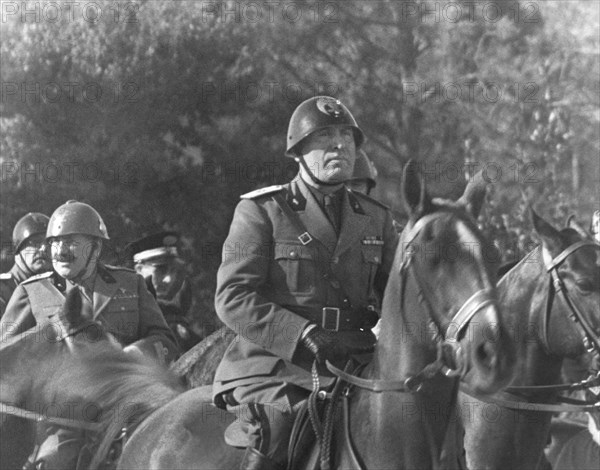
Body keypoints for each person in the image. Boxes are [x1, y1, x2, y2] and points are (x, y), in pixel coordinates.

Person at [212, 96, 399, 470]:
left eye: (347, 136)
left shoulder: (375, 218)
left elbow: (399, 293)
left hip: (356, 361)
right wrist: (300, 333)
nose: (340, 145)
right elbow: (232, 297)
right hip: (278, 366)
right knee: (280, 429)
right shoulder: (262, 211)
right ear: (297, 152)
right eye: (325, 136)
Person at [0, 200, 179, 470]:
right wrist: (53, 337)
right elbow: (8, 356)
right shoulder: (31, 291)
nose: (60, 251)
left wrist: (131, 355)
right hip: (65, 421)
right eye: (54, 243)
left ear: (95, 247)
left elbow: (165, 341)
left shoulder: (131, 284)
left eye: (71, 242)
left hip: (131, 410)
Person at [126, 231, 200, 352]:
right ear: (139, 270)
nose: (169, 279)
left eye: (173, 270)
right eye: (160, 270)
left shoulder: (175, 319)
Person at [0, 212, 52, 318]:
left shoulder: (54, 285)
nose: (43, 248)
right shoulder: (3, 289)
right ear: (18, 249)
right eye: (35, 243)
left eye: (48, 243)